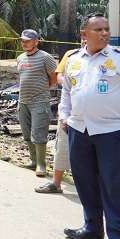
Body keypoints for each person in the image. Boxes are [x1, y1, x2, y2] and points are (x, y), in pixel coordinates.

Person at [59, 14, 120, 239]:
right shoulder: (74, 59)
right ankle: (92, 227)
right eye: (98, 29)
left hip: (111, 131)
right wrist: (64, 116)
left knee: (112, 185)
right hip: (78, 130)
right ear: (84, 34)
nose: (105, 33)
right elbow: (67, 91)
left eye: (106, 29)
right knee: (84, 181)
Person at [35, 43, 84, 194]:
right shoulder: (71, 55)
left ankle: (95, 188)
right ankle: (56, 183)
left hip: (96, 116)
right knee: (62, 147)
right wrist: (71, 82)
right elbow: (59, 75)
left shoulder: (111, 58)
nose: (85, 40)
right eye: (83, 36)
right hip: (70, 113)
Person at [16, 29, 57, 177]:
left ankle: (41, 164)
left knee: (39, 134)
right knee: (26, 132)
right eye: (22, 40)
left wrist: (44, 90)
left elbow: (54, 77)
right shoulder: (20, 58)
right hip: (23, 101)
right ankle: (33, 161)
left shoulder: (45, 57)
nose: (24, 43)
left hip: (39, 101)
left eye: (27, 41)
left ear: (36, 42)